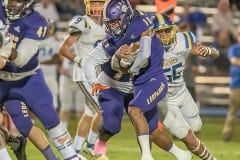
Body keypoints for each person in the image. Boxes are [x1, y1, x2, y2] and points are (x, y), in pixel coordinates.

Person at [83, 0, 192, 160]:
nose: (112, 26)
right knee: (112, 125)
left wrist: (136, 62)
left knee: (153, 129)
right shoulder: (111, 41)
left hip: (136, 85)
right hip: (112, 85)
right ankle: (99, 143)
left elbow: (146, 52)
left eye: (115, 21)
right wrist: (95, 80)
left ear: (126, 16)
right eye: (109, 23)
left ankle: (180, 154)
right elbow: (90, 62)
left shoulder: (141, 25)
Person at [0, 0, 82, 159]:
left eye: (19, 1)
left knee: (50, 118)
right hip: (2, 81)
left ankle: (70, 156)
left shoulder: (36, 22)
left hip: (27, 79)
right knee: (23, 125)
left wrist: (9, 52)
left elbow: (22, 59)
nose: (13, 4)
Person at [152, 13, 219, 160]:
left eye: (167, 31)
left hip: (182, 93)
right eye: (159, 33)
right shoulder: (147, 49)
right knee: (188, 137)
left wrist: (208, 51)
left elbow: (216, 53)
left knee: (196, 127)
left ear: (174, 30)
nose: (164, 36)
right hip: (163, 100)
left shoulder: (185, 40)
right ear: (153, 34)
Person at [59, 0, 106, 157]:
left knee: (90, 114)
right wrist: (79, 60)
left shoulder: (107, 24)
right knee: (102, 110)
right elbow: (63, 48)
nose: (96, 7)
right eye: (93, 3)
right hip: (84, 74)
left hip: (98, 74)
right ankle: (91, 145)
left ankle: (75, 150)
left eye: (100, 3)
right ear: (87, 5)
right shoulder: (82, 22)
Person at [38, 22, 61, 110]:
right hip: (36, 76)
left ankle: (53, 122)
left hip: (50, 75)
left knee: (53, 102)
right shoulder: (35, 40)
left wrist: (39, 62)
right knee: (33, 102)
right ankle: (30, 123)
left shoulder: (55, 41)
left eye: (50, 27)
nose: (48, 30)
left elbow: (56, 60)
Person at [222, 26, 240, 141]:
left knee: (232, 112)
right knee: (232, 111)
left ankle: (227, 135)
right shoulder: (233, 48)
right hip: (236, 85)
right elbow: (234, 60)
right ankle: (227, 136)